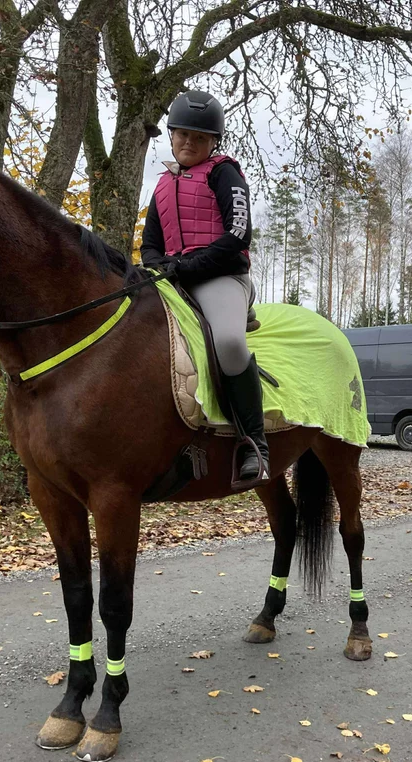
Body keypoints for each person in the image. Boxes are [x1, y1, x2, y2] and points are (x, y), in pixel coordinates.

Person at [140, 90, 267, 486]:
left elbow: (238, 233)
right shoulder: (161, 184)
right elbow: (149, 244)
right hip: (174, 280)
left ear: (213, 142)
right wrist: (159, 266)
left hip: (221, 277)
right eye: (182, 135)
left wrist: (189, 265)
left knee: (228, 342)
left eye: (199, 137)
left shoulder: (224, 172)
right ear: (172, 135)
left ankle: (255, 445)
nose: (189, 144)